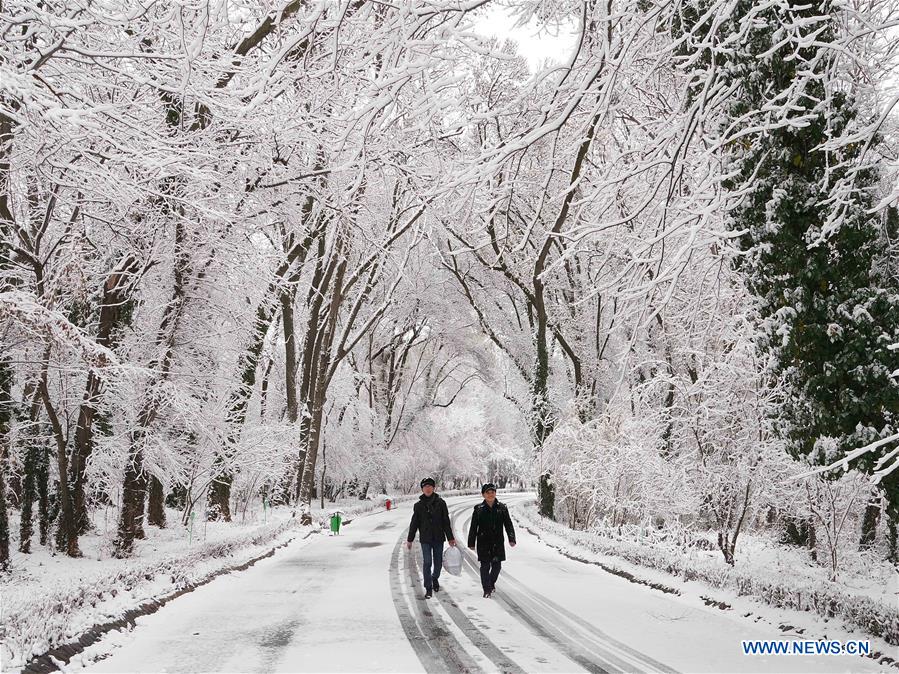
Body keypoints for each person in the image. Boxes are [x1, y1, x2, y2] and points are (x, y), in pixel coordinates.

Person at [406, 477, 456, 598]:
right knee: (427, 562)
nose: (427, 489)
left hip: (439, 538)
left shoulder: (441, 503)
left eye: (430, 486)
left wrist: (450, 537)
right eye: (425, 487)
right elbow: (414, 523)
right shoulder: (418, 506)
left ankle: (435, 578)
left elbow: (445, 522)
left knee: (438, 563)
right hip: (425, 539)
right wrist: (410, 539)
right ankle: (428, 587)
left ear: (434, 488)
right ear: (422, 489)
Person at [467, 483, 516, 598]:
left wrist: (511, 538)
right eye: (488, 492)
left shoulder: (502, 508)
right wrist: (471, 542)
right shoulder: (478, 509)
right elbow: (474, 526)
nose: (490, 494)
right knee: (485, 566)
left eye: (492, 492)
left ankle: (491, 583)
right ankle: (486, 589)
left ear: (495, 493)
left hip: (497, 542)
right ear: (483, 494)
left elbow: (508, 524)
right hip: (483, 541)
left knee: (497, 566)